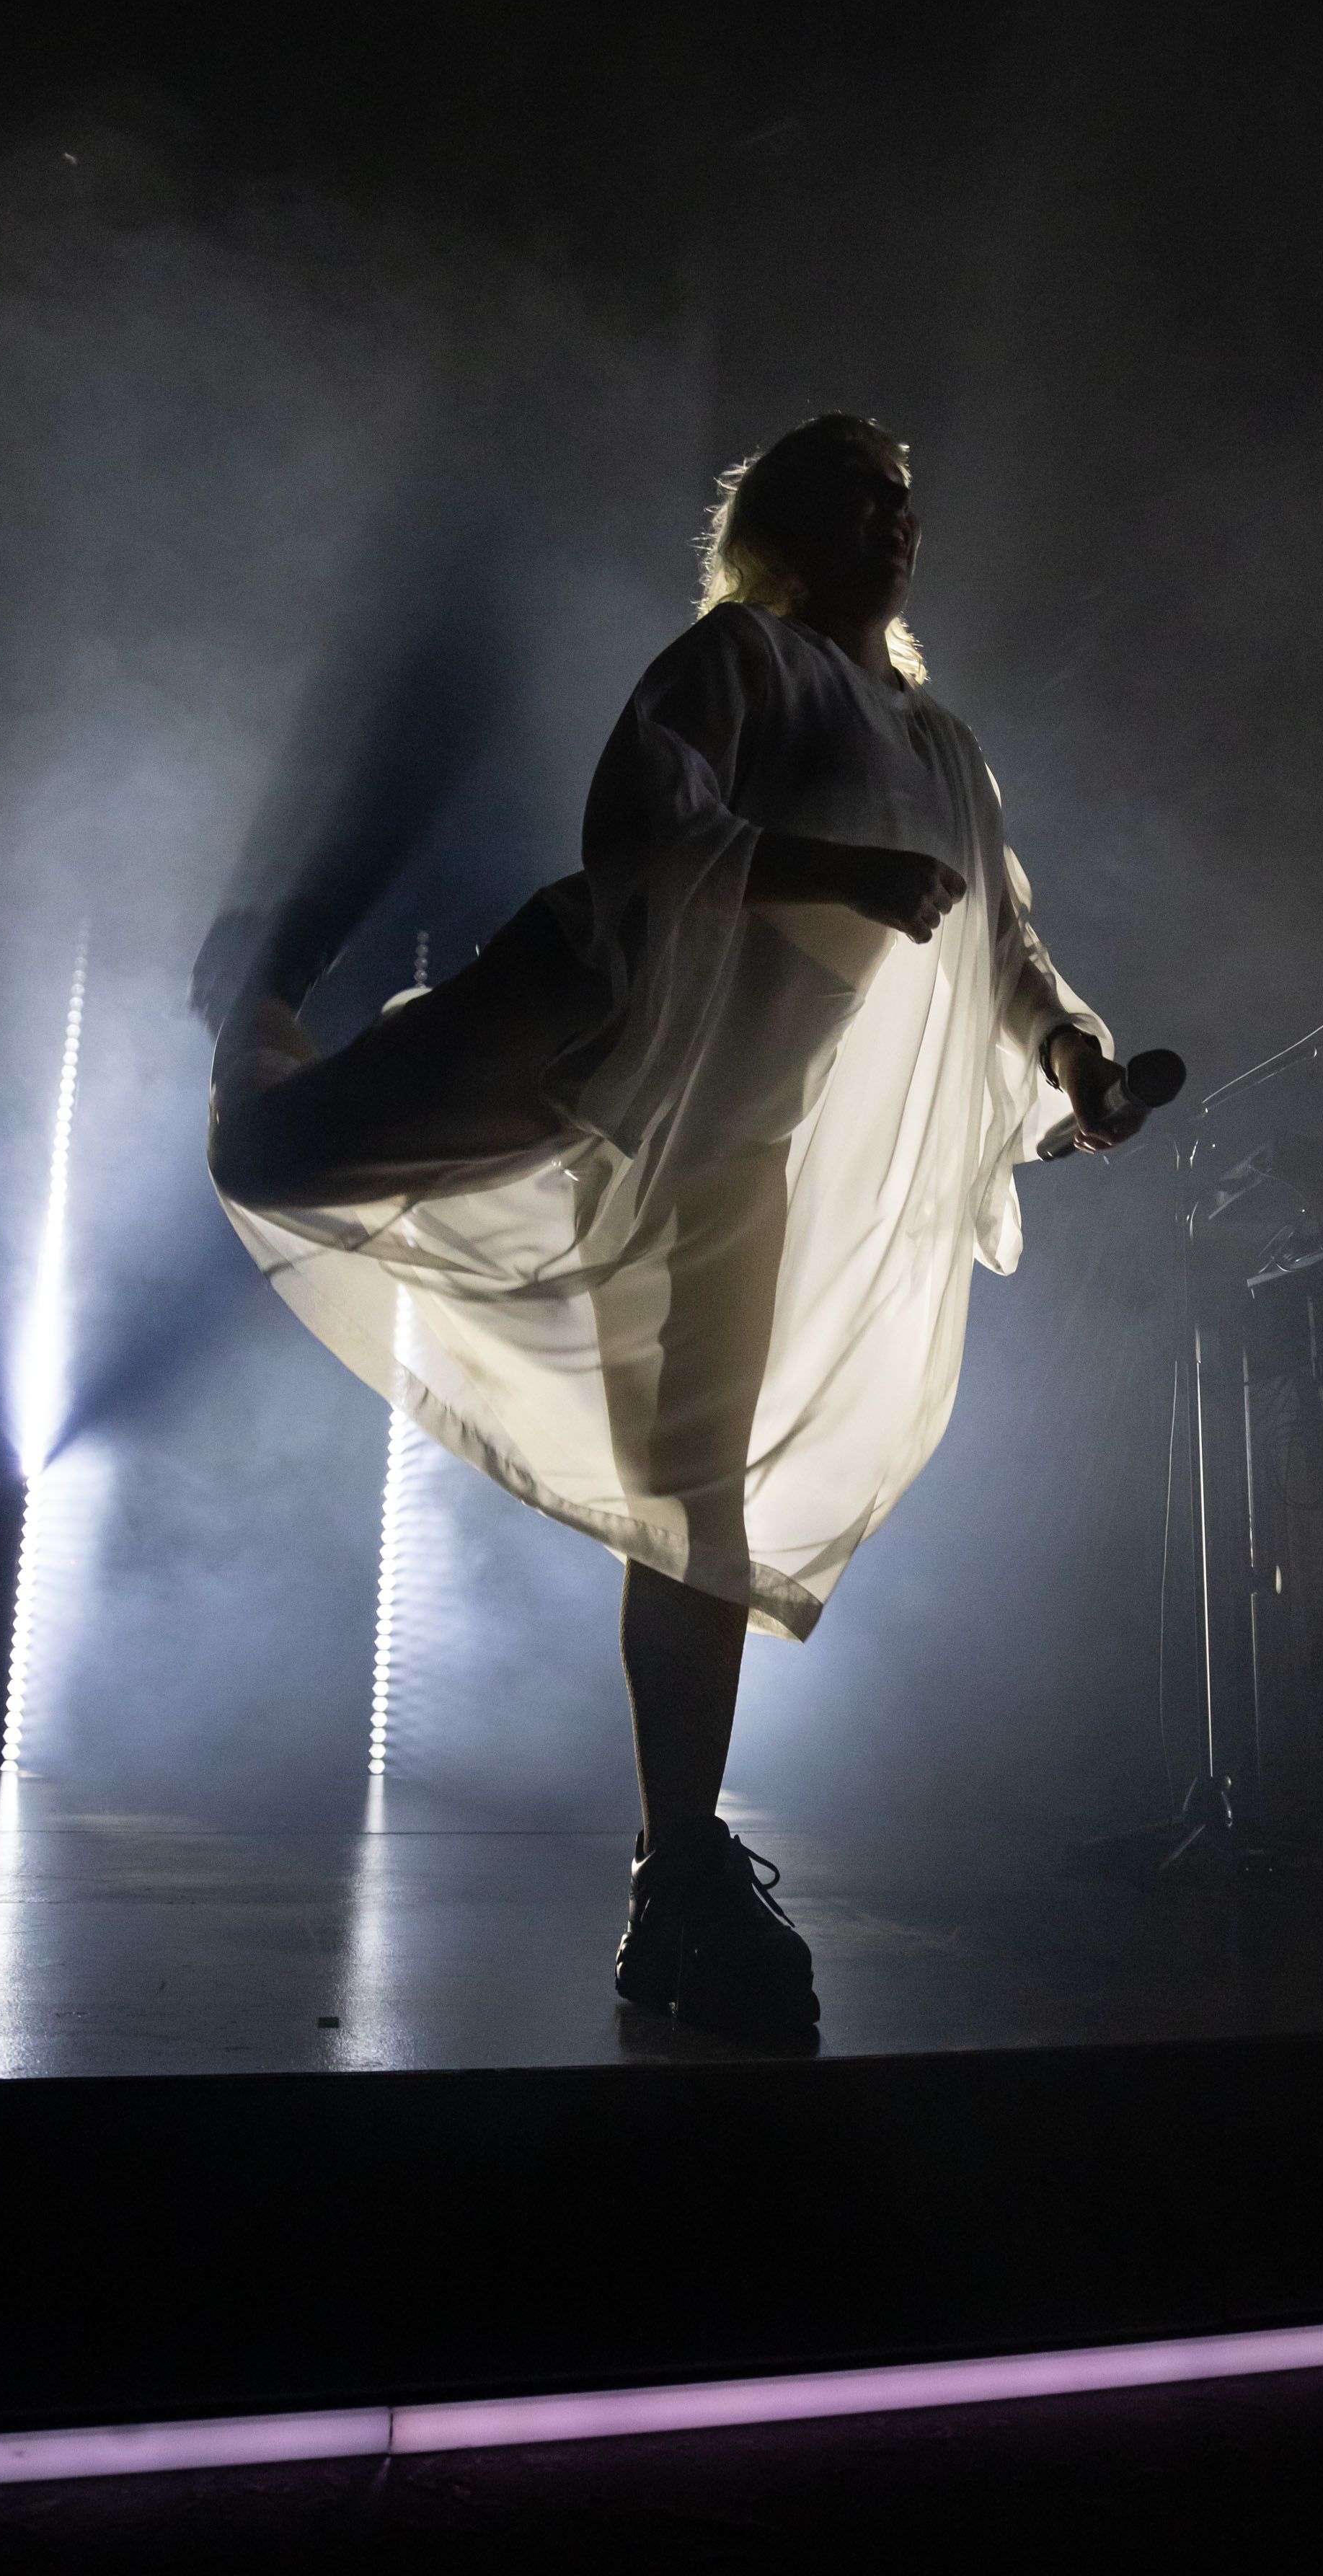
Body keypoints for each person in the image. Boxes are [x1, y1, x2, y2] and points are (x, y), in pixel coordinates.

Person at [202, 413, 1141, 2035]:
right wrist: (826, 867)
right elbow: (639, 821)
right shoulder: (740, 656)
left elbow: (1007, 948)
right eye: (859, 494)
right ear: (788, 521)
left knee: (694, 1506)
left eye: (905, 498)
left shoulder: (942, 747)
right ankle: (254, 995)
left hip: (731, 1132)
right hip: (587, 1012)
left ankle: (678, 1871)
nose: (894, 517)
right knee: (281, 1151)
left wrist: (1073, 1062)